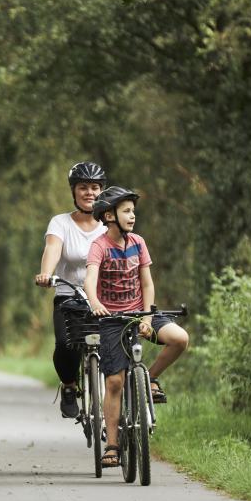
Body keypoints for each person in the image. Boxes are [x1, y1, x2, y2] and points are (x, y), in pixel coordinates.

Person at [84, 186, 190, 468]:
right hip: (112, 319)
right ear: (109, 215)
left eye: (133, 211)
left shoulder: (139, 242)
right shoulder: (100, 246)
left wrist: (146, 319)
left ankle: (149, 379)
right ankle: (113, 444)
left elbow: (147, 283)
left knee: (179, 338)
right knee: (115, 381)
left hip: (141, 313)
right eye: (126, 211)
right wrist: (95, 302)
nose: (133, 215)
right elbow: (89, 280)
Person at [34, 161, 107, 419]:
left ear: (102, 191)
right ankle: (69, 385)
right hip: (69, 296)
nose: (90, 193)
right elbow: (53, 249)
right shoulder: (61, 222)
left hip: (103, 299)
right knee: (66, 345)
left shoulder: (110, 224)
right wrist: (46, 273)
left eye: (95, 187)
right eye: (83, 187)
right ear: (74, 191)